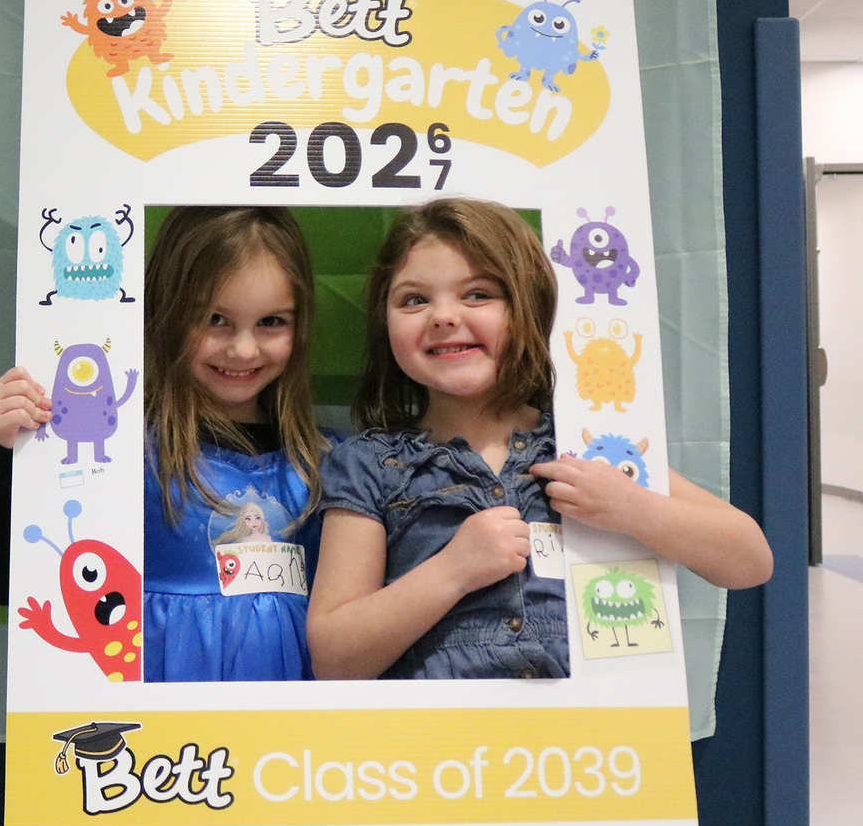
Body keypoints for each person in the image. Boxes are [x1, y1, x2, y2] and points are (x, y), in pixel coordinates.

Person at [306, 198, 772, 681]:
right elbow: (335, 660)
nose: (443, 316)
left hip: (591, 748)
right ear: (386, 325)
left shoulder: (592, 444)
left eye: (478, 294)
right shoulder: (368, 464)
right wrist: (452, 571)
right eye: (414, 300)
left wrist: (634, 507)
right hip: (434, 749)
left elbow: (750, 559)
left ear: (529, 307)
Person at [0, 206, 331, 682]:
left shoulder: (327, 465)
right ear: (165, 311)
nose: (244, 349)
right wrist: (10, 450)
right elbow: (6, 582)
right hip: (159, 740)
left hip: (294, 745)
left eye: (271, 322)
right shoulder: (120, 452)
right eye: (215, 318)